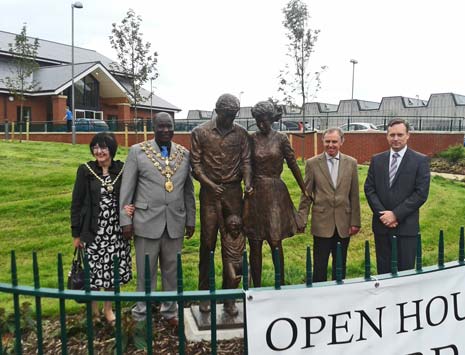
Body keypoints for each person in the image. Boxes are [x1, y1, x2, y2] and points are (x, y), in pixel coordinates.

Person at [119, 112, 195, 328]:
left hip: (175, 222)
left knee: (172, 271)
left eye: (169, 126)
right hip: (145, 222)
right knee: (145, 272)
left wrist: (190, 218)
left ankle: (169, 311)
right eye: (160, 126)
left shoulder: (184, 154)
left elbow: (188, 190)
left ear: (174, 128)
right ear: (153, 127)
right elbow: (127, 188)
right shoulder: (138, 152)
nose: (165, 130)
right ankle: (141, 313)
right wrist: (125, 219)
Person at [190, 93, 252, 316]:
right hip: (210, 194)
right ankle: (205, 294)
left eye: (234, 115)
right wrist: (209, 184)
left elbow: (246, 160)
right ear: (217, 111)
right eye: (227, 115)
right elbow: (195, 166)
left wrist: (248, 183)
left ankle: (229, 297)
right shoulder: (200, 132)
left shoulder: (242, 134)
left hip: (234, 193)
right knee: (207, 244)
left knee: (233, 246)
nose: (231, 119)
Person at [70, 132, 133, 324]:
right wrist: (76, 234)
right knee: (94, 273)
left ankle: (109, 309)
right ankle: (94, 311)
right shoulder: (85, 170)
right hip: (93, 232)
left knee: (111, 273)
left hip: (116, 232)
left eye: (103, 147)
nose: (99, 151)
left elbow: (132, 192)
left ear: (111, 149)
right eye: (95, 147)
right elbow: (77, 203)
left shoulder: (122, 169)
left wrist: (132, 206)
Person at [243, 100, 307, 287]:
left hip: (275, 194)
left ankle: (279, 286)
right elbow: (246, 163)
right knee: (254, 243)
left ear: (272, 119)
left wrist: (304, 188)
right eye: (258, 121)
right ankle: (256, 287)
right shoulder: (251, 139)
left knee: (275, 240)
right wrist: (247, 184)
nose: (262, 125)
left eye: (265, 120)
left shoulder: (281, 139)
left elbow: (293, 164)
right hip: (255, 193)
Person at [364, 118, 430, 274]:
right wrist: (383, 215)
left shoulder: (420, 160)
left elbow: (421, 193)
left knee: (405, 272)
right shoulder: (377, 160)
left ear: (408, 135)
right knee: (384, 271)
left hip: (406, 227)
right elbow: (369, 188)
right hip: (382, 227)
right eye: (392, 135)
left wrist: (395, 214)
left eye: (400, 134)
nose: (395, 139)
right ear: (387, 136)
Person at [298, 127, 361, 282]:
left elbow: (354, 194)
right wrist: (302, 218)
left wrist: (355, 222)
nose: (330, 145)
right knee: (319, 265)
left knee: (340, 265)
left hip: (343, 223)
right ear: (323, 142)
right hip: (322, 222)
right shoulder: (312, 163)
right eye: (327, 141)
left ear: (341, 142)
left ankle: (339, 297)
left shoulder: (351, 163)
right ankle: (319, 297)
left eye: (334, 141)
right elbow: (306, 194)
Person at [221, 214, 246, 310]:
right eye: (232, 229)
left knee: (248, 273)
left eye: (237, 229)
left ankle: (248, 298)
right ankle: (230, 303)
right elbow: (220, 220)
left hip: (241, 260)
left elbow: (246, 219)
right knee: (232, 278)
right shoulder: (225, 235)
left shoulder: (242, 234)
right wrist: (219, 207)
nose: (235, 232)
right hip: (230, 262)